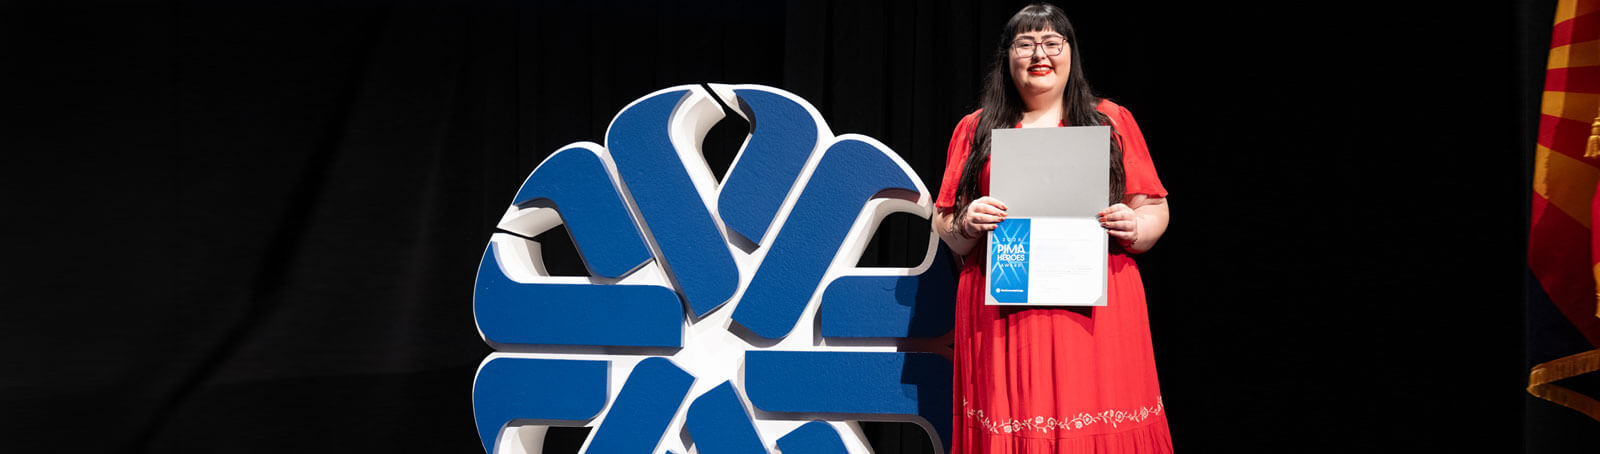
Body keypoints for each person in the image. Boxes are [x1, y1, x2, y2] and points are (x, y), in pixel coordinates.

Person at [932, 3, 1173, 452]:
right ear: (1007, 56)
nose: (1039, 53)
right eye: (1025, 43)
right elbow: (944, 219)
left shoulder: (1110, 120)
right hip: (1002, 309)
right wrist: (967, 221)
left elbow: (1154, 207)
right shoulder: (975, 129)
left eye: (1051, 42)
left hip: (1098, 307)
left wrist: (1134, 224)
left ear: (1070, 53)